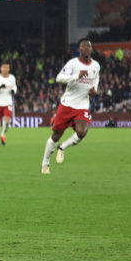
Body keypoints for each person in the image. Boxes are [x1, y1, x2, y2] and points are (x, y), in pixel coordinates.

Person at [41, 39, 100, 175]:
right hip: (67, 104)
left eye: (88, 47)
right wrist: (75, 76)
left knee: (82, 132)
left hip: (83, 105)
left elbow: (96, 78)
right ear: (79, 49)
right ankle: (45, 163)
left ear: (91, 49)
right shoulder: (73, 63)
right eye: (83, 47)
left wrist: (94, 89)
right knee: (56, 135)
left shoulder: (96, 66)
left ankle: (63, 147)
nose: (85, 49)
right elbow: (59, 78)